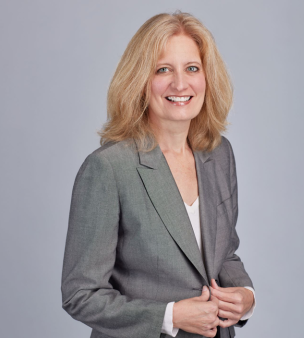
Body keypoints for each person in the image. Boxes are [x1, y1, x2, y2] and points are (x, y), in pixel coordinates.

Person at [61, 12, 255, 338]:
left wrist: (246, 296)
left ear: (207, 77)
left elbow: (223, 253)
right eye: (163, 70)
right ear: (140, 80)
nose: (180, 84)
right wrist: (171, 316)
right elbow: (80, 294)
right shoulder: (109, 169)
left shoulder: (219, 155)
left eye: (192, 68)